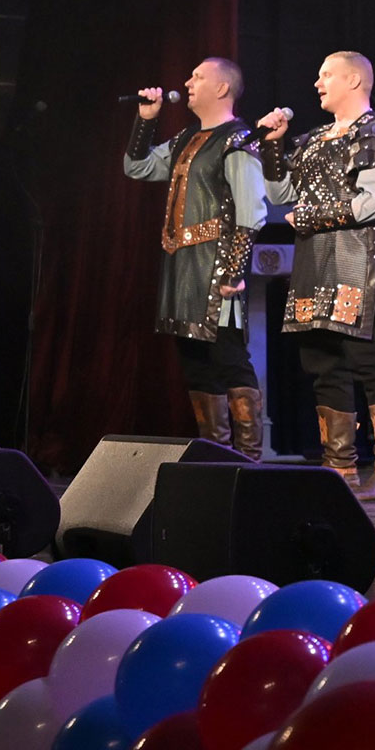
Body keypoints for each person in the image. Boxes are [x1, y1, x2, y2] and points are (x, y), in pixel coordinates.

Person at [257, 52, 375, 499]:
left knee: (370, 362)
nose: (317, 83)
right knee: (323, 364)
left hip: (358, 264)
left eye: (327, 75)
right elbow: (280, 194)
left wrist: (312, 216)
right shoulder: (313, 139)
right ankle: (339, 466)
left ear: (354, 80)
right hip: (315, 266)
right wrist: (272, 146)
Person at [124, 58, 265, 457]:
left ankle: (248, 459)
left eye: (198, 77)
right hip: (183, 270)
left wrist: (234, 269)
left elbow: (251, 210)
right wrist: (146, 121)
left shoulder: (238, 140)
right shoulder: (185, 139)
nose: (188, 82)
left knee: (228, 358)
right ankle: (217, 456)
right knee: (196, 363)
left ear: (222, 89)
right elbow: (137, 167)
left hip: (216, 268)